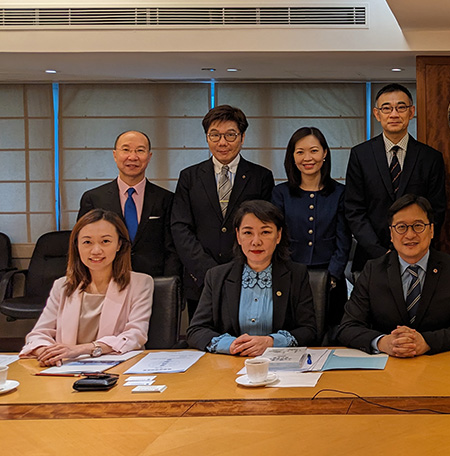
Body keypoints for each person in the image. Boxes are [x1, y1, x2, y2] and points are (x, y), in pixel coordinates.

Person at [337, 195, 450, 356]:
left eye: (418, 226)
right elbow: (347, 327)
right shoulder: (373, 270)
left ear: (431, 230)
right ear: (391, 234)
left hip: (438, 362)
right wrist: (383, 342)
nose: (410, 235)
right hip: (387, 363)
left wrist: (427, 342)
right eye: (401, 227)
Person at [171, 105, 274, 316]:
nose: (222, 142)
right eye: (215, 135)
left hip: (247, 276)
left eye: (230, 135)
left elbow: (265, 228)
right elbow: (180, 227)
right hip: (200, 279)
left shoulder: (261, 177)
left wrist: (239, 269)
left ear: (242, 137)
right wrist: (207, 271)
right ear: (207, 137)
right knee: (203, 333)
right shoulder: (189, 177)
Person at [20, 209, 154, 365]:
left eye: (105, 241)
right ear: (77, 245)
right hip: (66, 369)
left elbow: (135, 335)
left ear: (119, 244)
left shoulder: (140, 283)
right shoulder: (62, 286)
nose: (96, 251)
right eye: (87, 242)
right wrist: (48, 353)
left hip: (118, 369)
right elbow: (38, 334)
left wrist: (83, 349)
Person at [187, 200, 318, 355]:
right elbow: (196, 330)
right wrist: (231, 345)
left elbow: (309, 330)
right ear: (238, 236)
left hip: (279, 362)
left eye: (265, 232)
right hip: (230, 361)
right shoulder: (217, 276)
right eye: (248, 233)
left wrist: (271, 342)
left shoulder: (296, 274)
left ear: (278, 236)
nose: (256, 242)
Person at [345, 83, 446, 273]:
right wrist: (379, 252)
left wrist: (411, 246)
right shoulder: (360, 155)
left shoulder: (430, 158)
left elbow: (436, 210)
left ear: (411, 112)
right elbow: (354, 210)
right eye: (386, 108)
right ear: (377, 114)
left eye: (401, 107)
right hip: (371, 257)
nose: (394, 114)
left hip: (418, 255)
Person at [271, 127, 351, 337]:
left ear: (325, 153)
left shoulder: (340, 193)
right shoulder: (280, 193)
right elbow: (276, 239)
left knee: (332, 337)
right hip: (290, 279)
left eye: (314, 151)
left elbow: (343, 240)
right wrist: (288, 273)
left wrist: (332, 276)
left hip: (331, 280)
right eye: (300, 152)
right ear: (292, 156)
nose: (308, 158)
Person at [78, 130, 180, 278]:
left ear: (149, 156)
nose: (132, 157)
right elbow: (84, 244)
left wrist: (168, 282)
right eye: (126, 150)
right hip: (107, 280)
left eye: (140, 150)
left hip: (154, 280)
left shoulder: (166, 199)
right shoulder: (93, 199)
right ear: (115, 155)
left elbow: (173, 248)